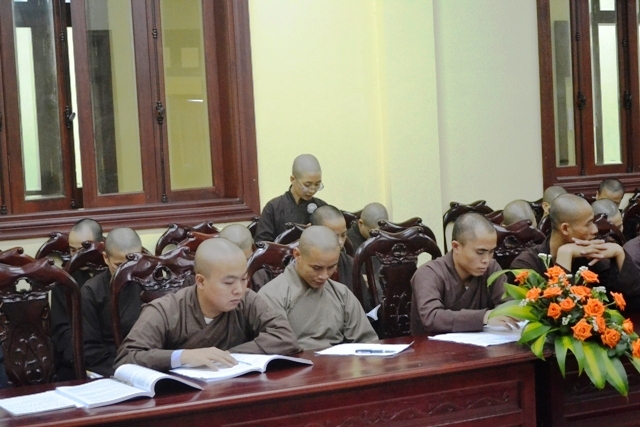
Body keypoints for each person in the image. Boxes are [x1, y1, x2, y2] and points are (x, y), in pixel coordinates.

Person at [114, 238, 300, 371]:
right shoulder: (165, 310)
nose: (239, 289)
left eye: (244, 279)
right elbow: (126, 358)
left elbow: (285, 337)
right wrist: (183, 357)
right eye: (228, 282)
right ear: (201, 281)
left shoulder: (247, 300)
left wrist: (226, 355)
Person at [258, 226, 378, 350]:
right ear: (297, 255)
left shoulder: (342, 294)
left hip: (339, 360)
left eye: (331, 267)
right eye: (316, 268)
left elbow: (367, 343)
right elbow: (276, 348)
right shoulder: (272, 295)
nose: (324, 276)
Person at [511, 194, 640, 309]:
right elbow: (559, 315)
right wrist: (565, 256)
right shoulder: (526, 265)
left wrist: (619, 253)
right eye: (588, 224)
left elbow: (632, 302)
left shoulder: (591, 255)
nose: (595, 230)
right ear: (565, 229)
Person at [410, 213, 516, 336]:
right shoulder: (428, 273)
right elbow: (432, 317)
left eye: (491, 252)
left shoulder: (491, 268)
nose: (486, 259)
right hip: (431, 346)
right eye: (480, 252)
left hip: (485, 345)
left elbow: (508, 305)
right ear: (456, 247)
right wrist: (484, 317)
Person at [81, 227, 143, 377]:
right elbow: (90, 350)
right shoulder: (91, 291)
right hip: (111, 368)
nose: (126, 272)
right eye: (119, 265)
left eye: (133, 263)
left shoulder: (151, 283)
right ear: (106, 258)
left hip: (150, 363)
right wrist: (125, 370)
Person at [52, 218, 103, 381]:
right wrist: (81, 360)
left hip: (109, 355)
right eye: (73, 250)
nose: (77, 256)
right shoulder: (64, 279)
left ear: (100, 245)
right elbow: (62, 330)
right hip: (77, 359)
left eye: (83, 249)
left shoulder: (112, 274)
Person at [310, 205, 377, 311]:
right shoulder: (304, 266)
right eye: (334, 236)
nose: (341, 242)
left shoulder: (351, 265)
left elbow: (363, 308)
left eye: (343, 235)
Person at [254, 154, 327, 243]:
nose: (312, 190)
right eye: (307, 185)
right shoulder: (273, 208)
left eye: (317, 184)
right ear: (293, 179)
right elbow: (262, 244)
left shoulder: (322, 208)